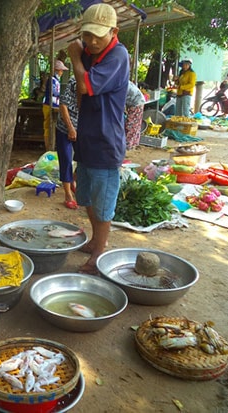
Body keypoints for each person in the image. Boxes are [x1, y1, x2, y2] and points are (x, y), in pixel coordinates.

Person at [67, 3, 129, 274]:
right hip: (88, 139)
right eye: (87, 35)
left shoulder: (117, 55)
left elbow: (84, 85)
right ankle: (95, 241)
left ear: (113, 31)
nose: (91, 41)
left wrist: (75, 57)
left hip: (106, 143)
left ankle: (100, 254)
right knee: (88, 199)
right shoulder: (92, 52)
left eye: (97, 36)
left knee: (103, 205)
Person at [56, 76, 79, 209]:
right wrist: (70, 128)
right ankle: (68, 194)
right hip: (64, 128)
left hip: (82, 127)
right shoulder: (74, 81)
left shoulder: (97, 79)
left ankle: (72, 182)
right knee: (65, 158)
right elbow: (63, 106)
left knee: (83, 159)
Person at [42, 59, 69, 150]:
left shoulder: (56, 80)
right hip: (49, 105)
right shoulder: (52, 80)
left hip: (55, 105)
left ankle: (52, 145)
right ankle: (48, 147)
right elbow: (53, 93)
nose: (62, 73)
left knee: (53, 127)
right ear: (57, 70)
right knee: (48, 127)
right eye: (61, 70)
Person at [125, 81, 146, 149]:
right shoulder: (123, 81)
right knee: (134, 124)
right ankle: (131, 143)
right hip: (136, 102)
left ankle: (128, 145)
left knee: (131, 124)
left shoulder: (121, 84)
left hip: (137, 103)